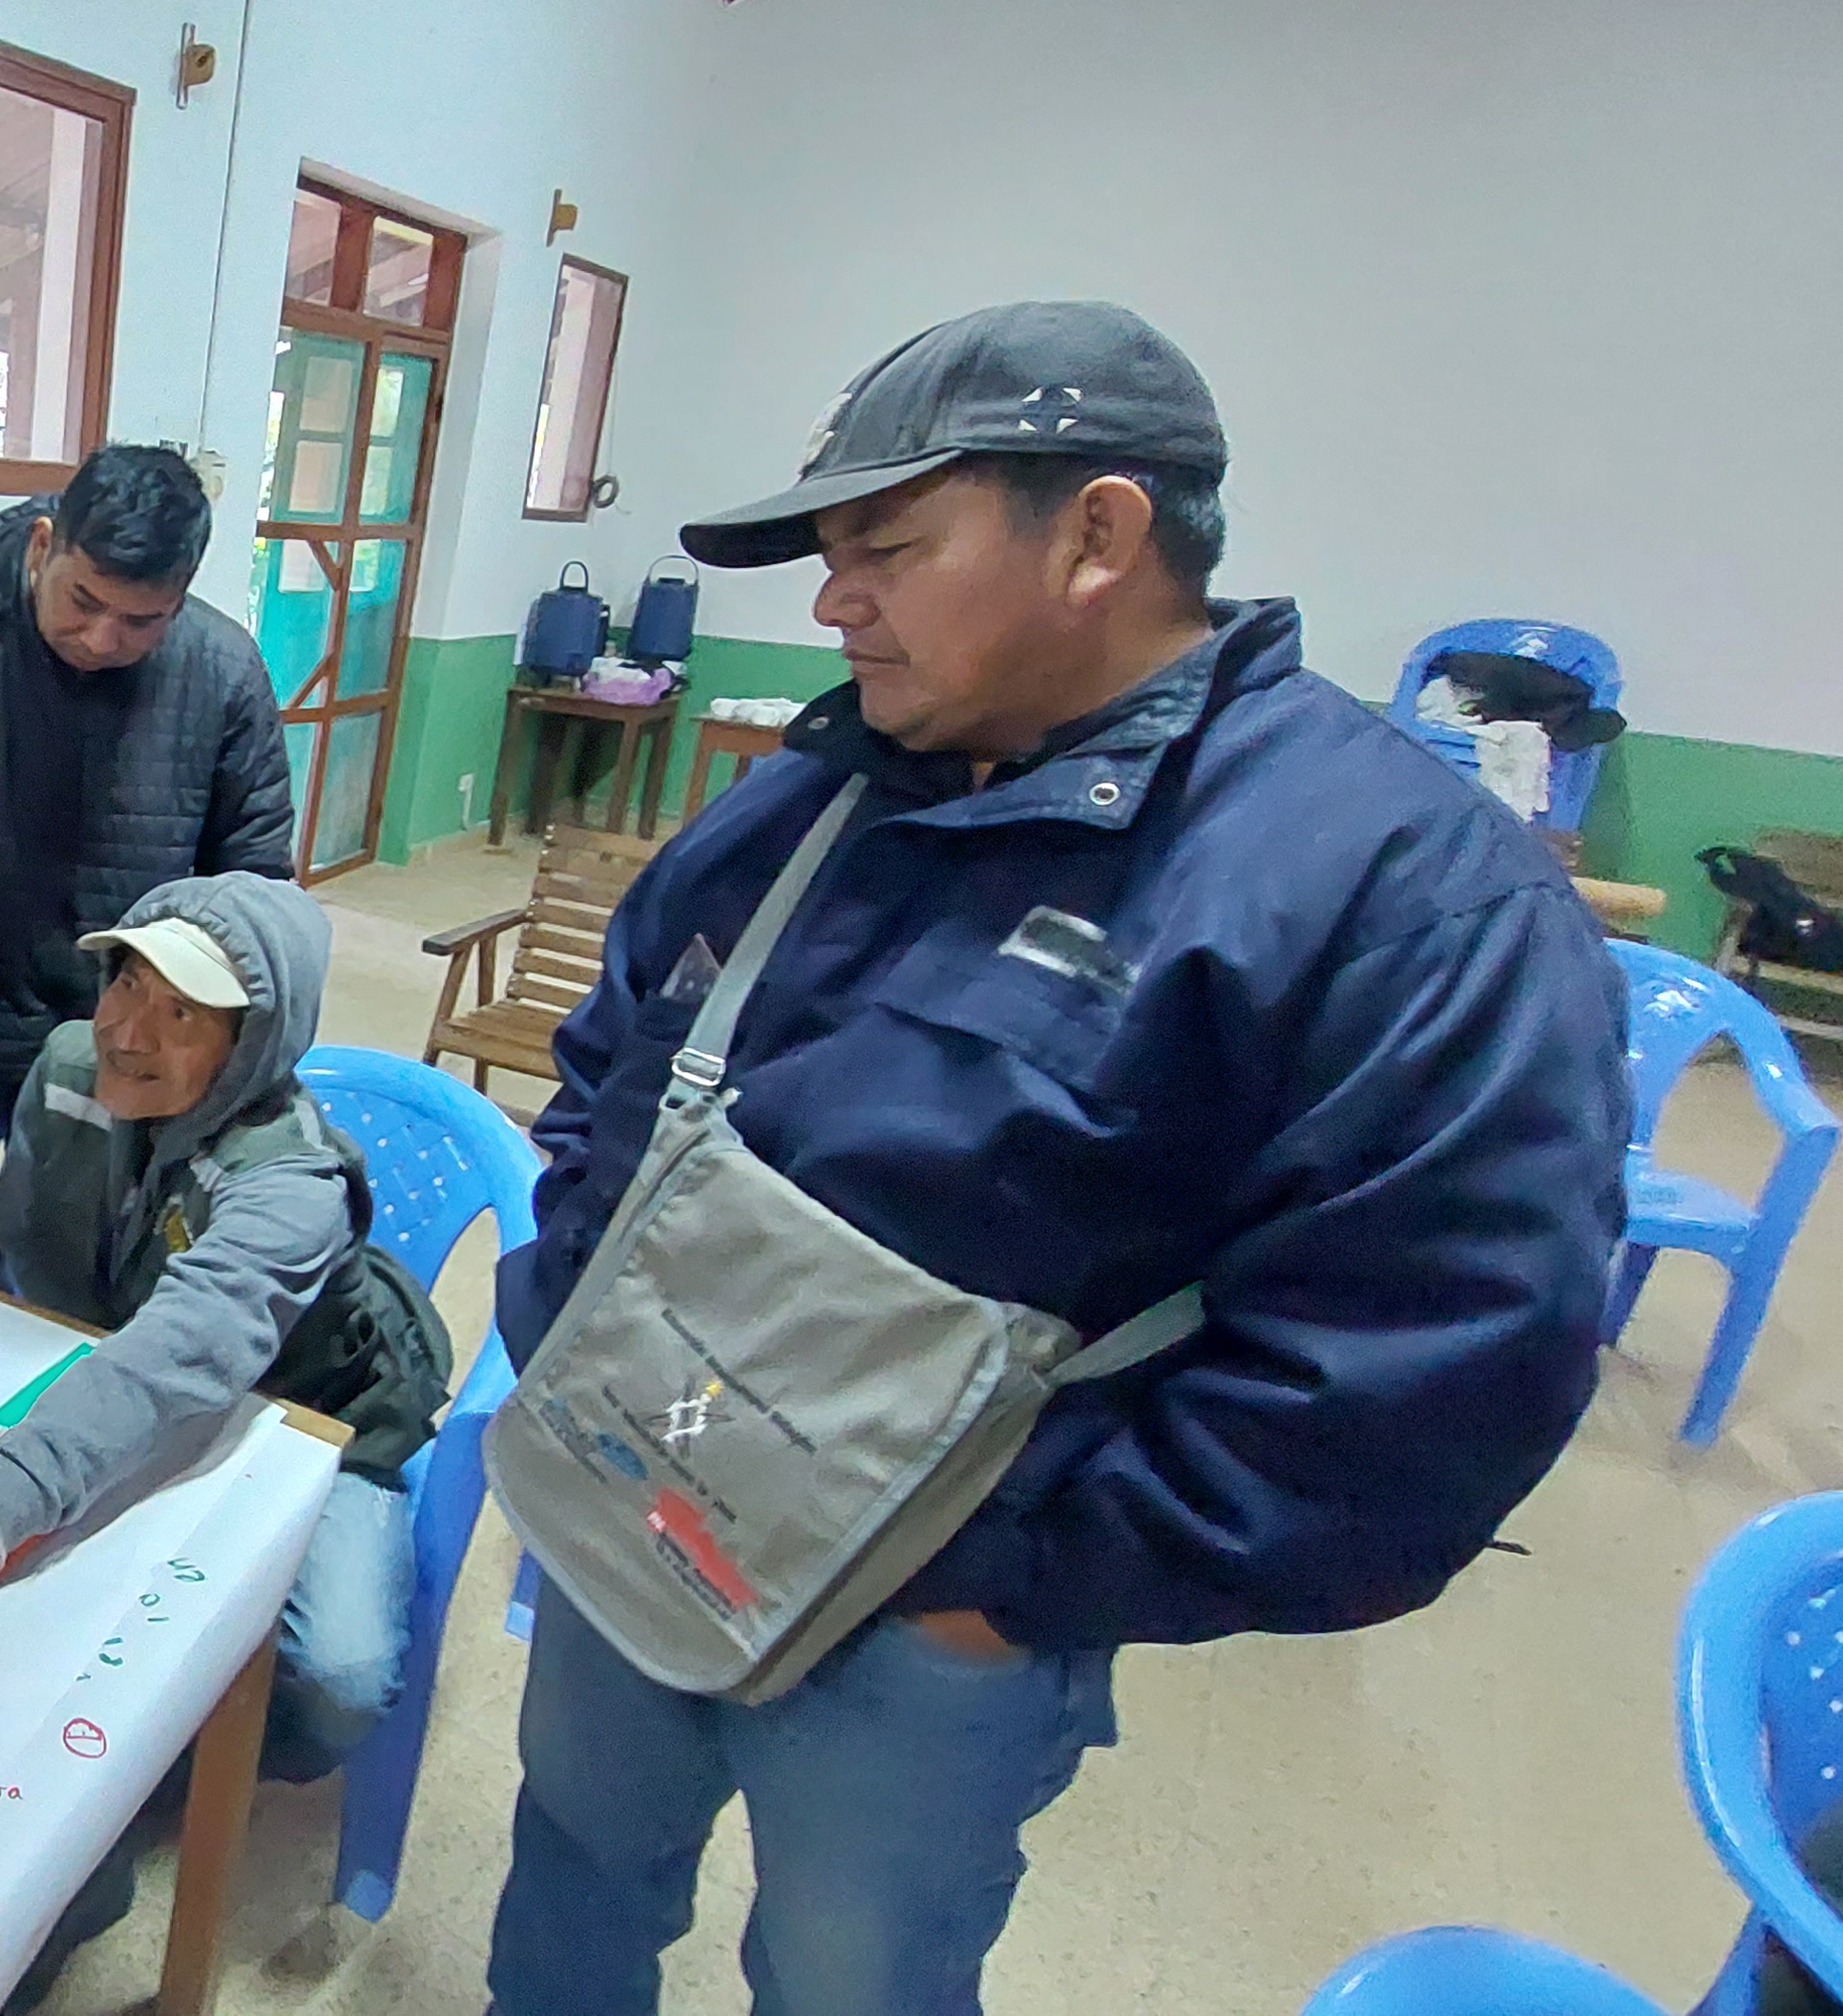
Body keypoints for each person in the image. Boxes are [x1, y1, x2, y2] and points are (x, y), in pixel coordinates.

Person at [484, 301, 1629, 2015]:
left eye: (887, 546)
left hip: (922, 1628)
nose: (830, 599)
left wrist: (1003, 1583)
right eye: (829, 554)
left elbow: (1431, 1373)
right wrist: (568, 1316)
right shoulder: (815, 794)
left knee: (850, 1973)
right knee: (578, 1864)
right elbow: (612, 1063)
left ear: (1098, 534)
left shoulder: (1393, 892)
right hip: (637, 1499)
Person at [0, 872, 449, 2001]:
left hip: (313, 1418)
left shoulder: (292, 1185)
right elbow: (28, 1272)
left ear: (252, 1042)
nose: (126, 1029)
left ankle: (179, 1777)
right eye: (124, 981)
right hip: (124, 1368)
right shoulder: (66, 1067)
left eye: (182, 1013)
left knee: (342, 1674)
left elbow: (186, 1355)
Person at [0, 443, 295, 1273]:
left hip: (128, 1066)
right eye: (83, 601)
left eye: (140, 621)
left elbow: (254, 886)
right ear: (44, 544)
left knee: (58, 1306)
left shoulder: (223, 672)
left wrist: (184, 1035)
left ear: (182, 595)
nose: (100, 638)